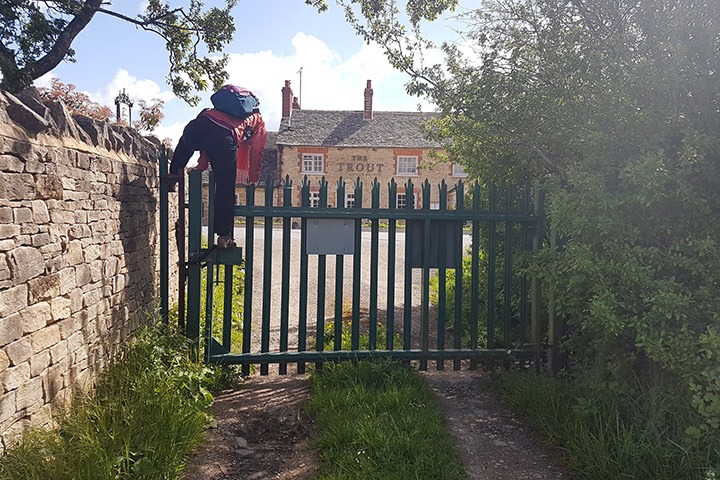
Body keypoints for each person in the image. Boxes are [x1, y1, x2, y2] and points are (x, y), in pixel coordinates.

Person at [169, 99, 267, 249]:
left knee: (185, 143)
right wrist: (253, 176)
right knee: (225, 186)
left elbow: (205, 140)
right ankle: (224, 235)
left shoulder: (213, 110)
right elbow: (257, 151)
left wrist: (202, 165)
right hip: (225, 138)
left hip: (199, 126)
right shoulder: (257, 119)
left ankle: (172, 177)